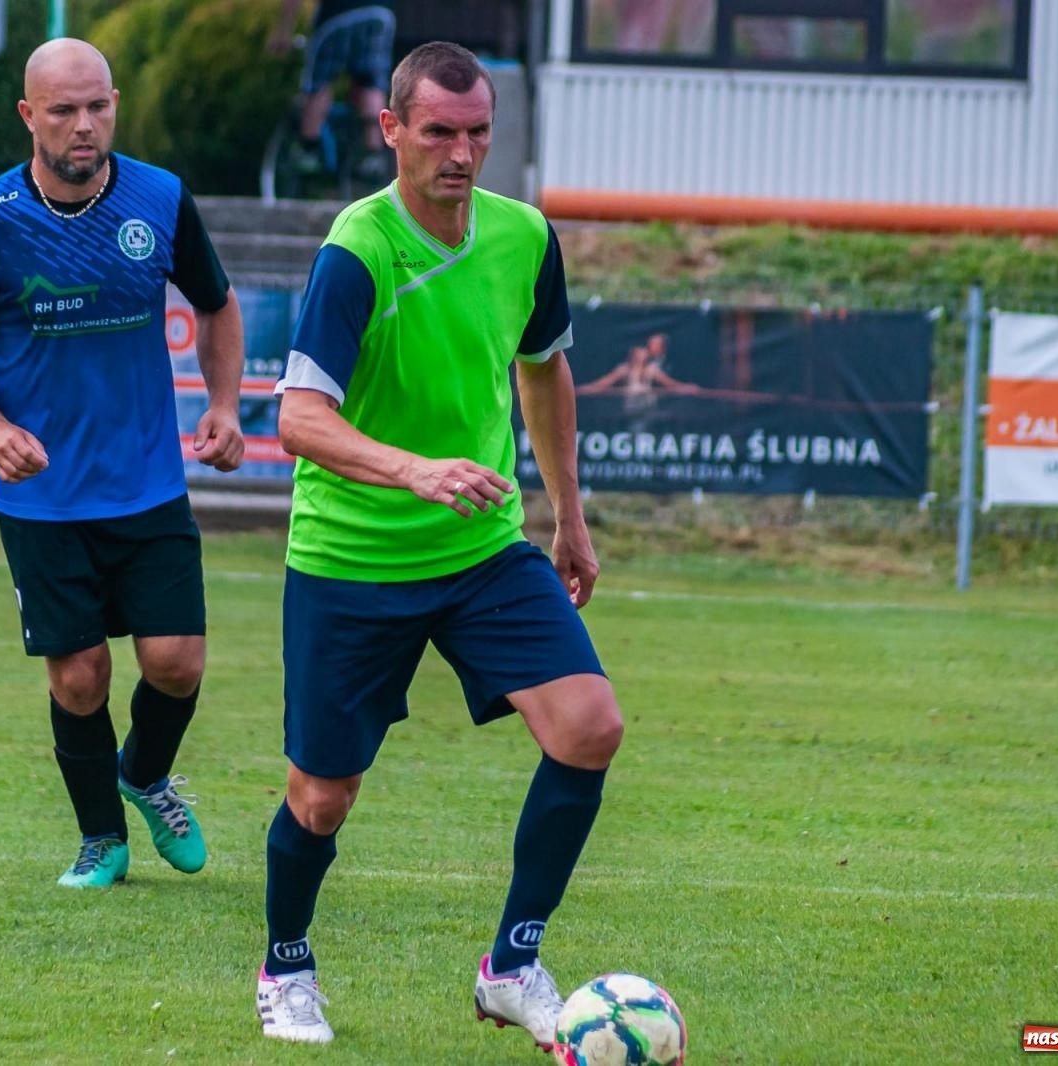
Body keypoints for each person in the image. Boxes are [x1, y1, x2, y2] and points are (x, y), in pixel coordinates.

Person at [256, 41, 624, 1050]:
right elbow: (296, 419)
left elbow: (543, 369)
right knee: (322, 796)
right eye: (438, 133)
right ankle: (285, 966)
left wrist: (567, 513)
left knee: (588, 725)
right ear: (392, 132)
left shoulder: (522, 236)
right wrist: (416, 469)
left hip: (483, 549)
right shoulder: (357, 250)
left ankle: (511, 963)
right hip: (352, 557)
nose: (460, 154)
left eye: (476, 135)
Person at [0, 38, 245, 889]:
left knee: (176, 661)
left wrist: (222, 404)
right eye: (63, 110)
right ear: (29, 116)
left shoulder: (159, 198)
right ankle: (102, 837)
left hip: (146, 481)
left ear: (114, 105)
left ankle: (142, 773)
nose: (83, 125)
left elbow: (215, 303)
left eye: (97, 106)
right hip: (43, 496)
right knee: (81, 677)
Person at [268, 0, 397, 183]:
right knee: (371, 82)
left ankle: (308, 150)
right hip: (380, 12)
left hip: (336, 13)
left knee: (319, 82)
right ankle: (372, 153)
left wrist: (284, 32)